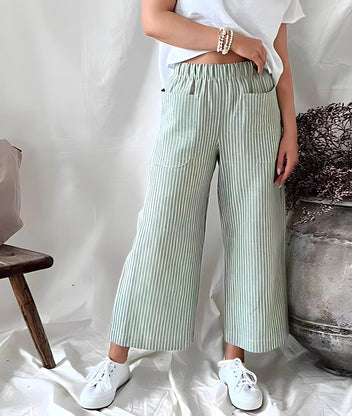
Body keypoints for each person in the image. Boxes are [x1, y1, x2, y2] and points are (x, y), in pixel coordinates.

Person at [79, 0, 304, 411]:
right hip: (192, 90)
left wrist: (290, 130)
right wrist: (231, 40)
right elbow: (154, 21)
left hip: (256, 99)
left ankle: (235, 361)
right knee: (162, 226)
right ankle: (116, 360)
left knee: (256, 229)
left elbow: (280, 56)